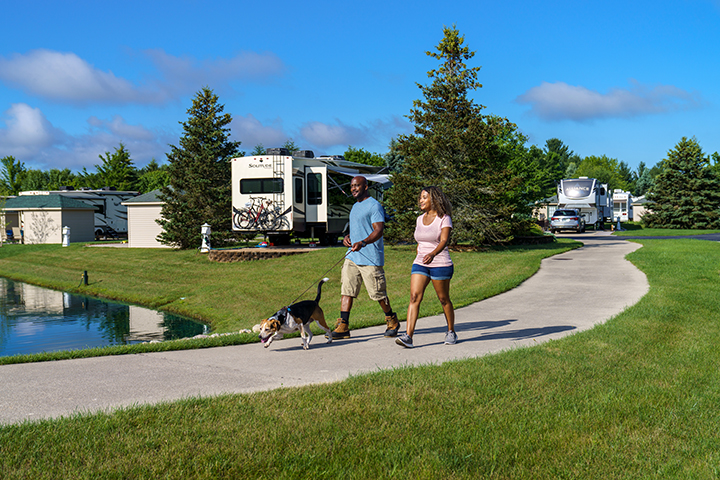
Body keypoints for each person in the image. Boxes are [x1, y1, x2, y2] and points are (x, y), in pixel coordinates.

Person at [328, 175, 400, 339]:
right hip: (352, 257)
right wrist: (348, 238)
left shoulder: (374, 206)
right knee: (347, 290)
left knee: (378, 294)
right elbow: (357, 229)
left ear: (365, 187)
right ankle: (343, 325)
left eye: (357, 186)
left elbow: (378, 230)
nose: (353, 188)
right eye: (352, 186)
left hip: (370, 258)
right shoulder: (355, 207)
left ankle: (391, 319)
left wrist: (364, 242)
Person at [396, 186, 456, 348]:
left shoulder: (444, 218)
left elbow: (444, 240)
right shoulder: (419, 219)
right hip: (420, 263)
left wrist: (433, 254)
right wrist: (421, 255)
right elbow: (420, 241)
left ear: (434, 199)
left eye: (424, 197)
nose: (420, 200)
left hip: (440, 262)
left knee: (443, 299)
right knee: (414, 297)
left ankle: (451, 331)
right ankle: (408, 336)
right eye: (420, 197)